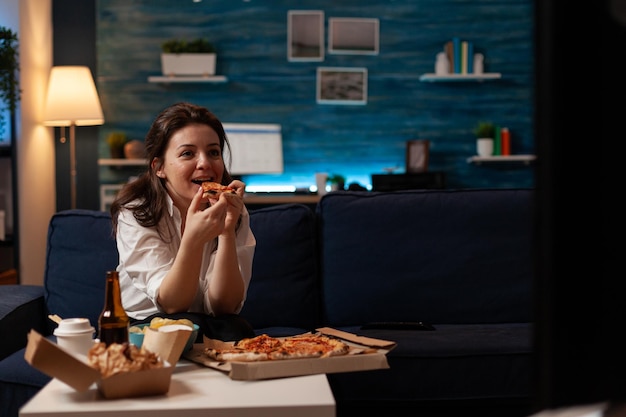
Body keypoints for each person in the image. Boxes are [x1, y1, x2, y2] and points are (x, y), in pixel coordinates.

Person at [110, 102, 256, 342]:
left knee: (235, 327)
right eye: (188, 153)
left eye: (213, 152)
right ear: (159, 168)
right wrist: (193, 239)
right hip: (145, 323)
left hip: (209, 322)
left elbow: (224, 307)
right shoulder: (135, 212)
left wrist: (227, 232)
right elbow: (172, 304)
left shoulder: (233, 210)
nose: (205, 164)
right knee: (189, 327)